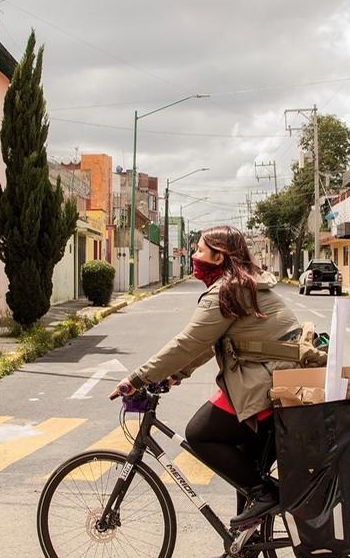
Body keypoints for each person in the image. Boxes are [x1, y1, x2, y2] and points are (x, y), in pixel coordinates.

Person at [110, 224, 302, 540]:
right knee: (246, 458)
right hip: (282, 376)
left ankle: (266, 494)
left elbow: (189, 342)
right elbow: (207, 344)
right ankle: (247, 543)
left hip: (269, 380)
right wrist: (175, 375)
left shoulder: (227, 291)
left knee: (200, 433)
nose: (195, 257)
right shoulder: (241, 284)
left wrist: (138, 378)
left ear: (219, 256)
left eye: (200, 251)